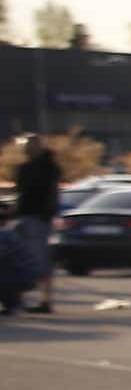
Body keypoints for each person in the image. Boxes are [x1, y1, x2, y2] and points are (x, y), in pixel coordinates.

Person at [11, 134, 61, 312]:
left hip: (37, 218)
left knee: (37, 259)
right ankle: (19, 299)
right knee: (18, 259)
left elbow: (52, 194)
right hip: (24, 216)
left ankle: (45, 300)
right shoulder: (25, 168)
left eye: (28, 146)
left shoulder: (47, 168)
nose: (25, 149)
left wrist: (47, 214)